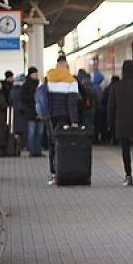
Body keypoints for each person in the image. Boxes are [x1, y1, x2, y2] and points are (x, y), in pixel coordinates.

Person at [45, 56, 80, 185]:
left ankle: (53, 174)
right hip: (64, 117)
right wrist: (74, 121)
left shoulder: (48, 78)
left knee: (52, 145)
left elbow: (44, 99)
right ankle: (63, 172)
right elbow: (72, 103)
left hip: (50, 117)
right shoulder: (71, 81)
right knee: (64, 145)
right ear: (66, 66)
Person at [19, 66, 44, 156]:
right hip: (30, 111)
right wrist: (33, 97)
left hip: (40, 112)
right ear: (30, 74)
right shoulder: (26, 85)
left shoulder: (39, 84)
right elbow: (22, 98)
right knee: (32, 132)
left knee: (39, 133)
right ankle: (32, 151)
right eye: (34, 73)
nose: (36, 75)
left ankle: (38, 151)